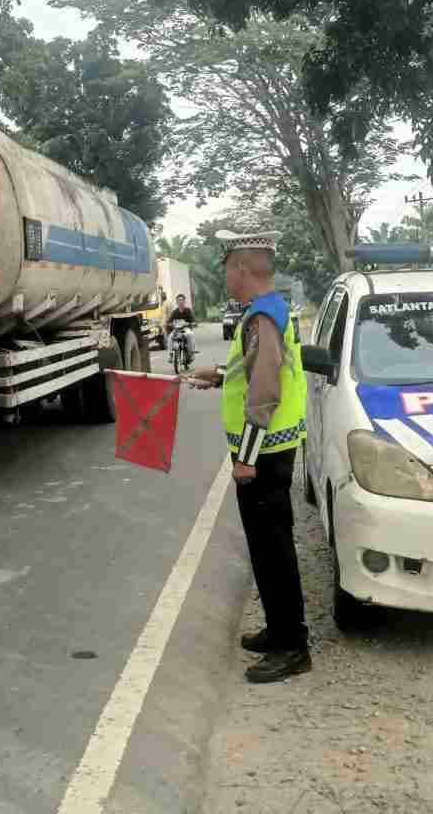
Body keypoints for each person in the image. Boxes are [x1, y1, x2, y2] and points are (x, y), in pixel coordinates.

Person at [187, 229, 311, 684]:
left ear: (240, 268)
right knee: (267, 547)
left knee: (273, 550)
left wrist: (246, 459)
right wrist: (219, 374)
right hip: (274, 449)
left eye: (226, 268)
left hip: (265, 454)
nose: (225, 277)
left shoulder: (261, 317)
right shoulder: (272, 310)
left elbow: (264, 392)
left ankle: (292, 647)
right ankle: (280, 632)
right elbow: (257, 370)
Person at [165, 293, 197, 363]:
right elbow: (169, 321)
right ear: (177, 302)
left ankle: (191, 353)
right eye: (179, 300)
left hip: (186, 329)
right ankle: (170, 355)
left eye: (182, 300)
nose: (180, 302)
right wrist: (169, 324)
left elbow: (193, 320)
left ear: (184, 301)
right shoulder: (174, 312)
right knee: (170, 337)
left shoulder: (188, 311)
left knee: (190, 335)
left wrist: (192, 323)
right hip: (177, 330)